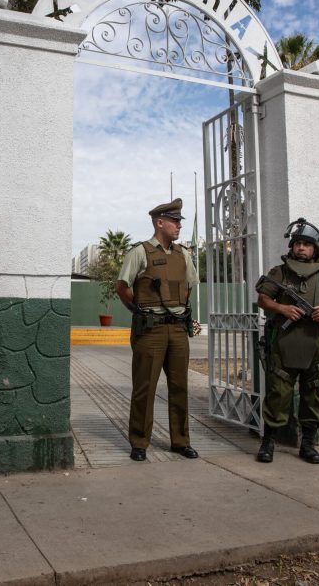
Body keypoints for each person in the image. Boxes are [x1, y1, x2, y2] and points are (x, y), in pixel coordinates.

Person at [255, 218, 319, 465]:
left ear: (316, 248)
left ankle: (308, 444)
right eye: (297, 243)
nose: (301, 248)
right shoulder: (279, 272)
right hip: (284, 342)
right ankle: (268, 443)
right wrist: (282, 309)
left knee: (313, 394)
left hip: (318, 342)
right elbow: (263, 299)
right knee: (278, 394)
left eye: (306, 244)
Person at [116, 198, 200, 462]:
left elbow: (188, 287)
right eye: (174, 221)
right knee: (145, 387)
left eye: (179, 222)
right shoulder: (139, 252)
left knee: (179, 387)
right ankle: (139, 442)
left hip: (176, 330)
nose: (178, 226)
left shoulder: (183, 254)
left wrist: (177, 308)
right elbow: (122, 287)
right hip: (150, 330)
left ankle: (180, 441)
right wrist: (139, 311)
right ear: (159, 222)